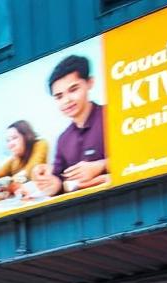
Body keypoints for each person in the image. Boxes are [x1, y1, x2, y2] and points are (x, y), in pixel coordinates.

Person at [33, 54, 109, 197]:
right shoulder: (63, 140)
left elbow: (140, 156)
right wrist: (49, 183)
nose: (66, 100)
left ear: (90, 83)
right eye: (59, 96)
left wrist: (101, 166)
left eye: (73, 89)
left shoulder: (113, 115)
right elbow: (59, 182)